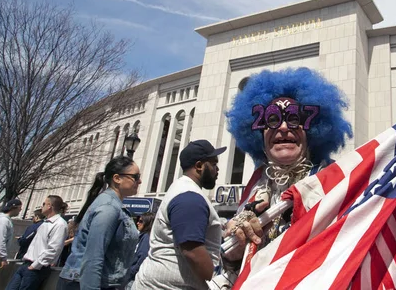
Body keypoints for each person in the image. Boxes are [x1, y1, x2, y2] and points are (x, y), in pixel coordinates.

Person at [211, 67, 352, 288]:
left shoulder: (337, 182)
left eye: (295, 118)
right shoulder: (255, 189)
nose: (284, 127)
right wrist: (235, 252)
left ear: (313, 130)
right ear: (258, 132)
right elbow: (233, 271)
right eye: (272, 119)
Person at [134, 139, 226, 290]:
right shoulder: (189, 198)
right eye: (214, 164)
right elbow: (193, 253)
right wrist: (219, 282)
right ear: (199, 166)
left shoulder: (185, 191)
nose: (217, 170)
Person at [57, 156, 140, 290]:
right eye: (135, 177)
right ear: (117, 178)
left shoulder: (113, 205)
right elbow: (93, 257)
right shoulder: (108, 208)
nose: (139, 181)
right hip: (89, 283)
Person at [6, 195, 69, 290]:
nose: (41, 206)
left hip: (36, 269)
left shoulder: (60, 224)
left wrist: (35, 265)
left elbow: (53, 249)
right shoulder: (45, 223)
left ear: (49, 206)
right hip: (26, 264)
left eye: (44, 204)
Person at [123, 212, 154, 290]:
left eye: (141, 221)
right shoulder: (144, 236)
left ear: (147, 223)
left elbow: (142, 257)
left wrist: (130, 272)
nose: (137, 223)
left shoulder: (146, 237)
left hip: (133, 278)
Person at [0, 198, 22, 281]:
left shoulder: (3, 220)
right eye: (19, 208)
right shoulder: (3, 221)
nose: (20, 210)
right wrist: (3, 257)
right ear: (14, 208)